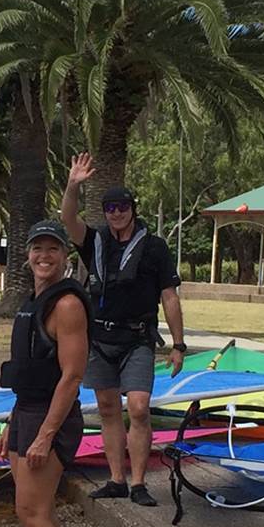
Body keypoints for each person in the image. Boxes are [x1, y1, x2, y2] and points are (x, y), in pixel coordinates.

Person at [60, 153, 185, 506]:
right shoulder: (95, 241)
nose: (116, 212)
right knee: (108, 408)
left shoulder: (154, 247)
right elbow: (68, 218)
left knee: (140, 408)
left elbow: (170, 297)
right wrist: (73, 184)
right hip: (100, 339)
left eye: (122, 206)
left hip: (137, 338)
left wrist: (179, 344)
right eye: (110, 207)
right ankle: (117, 479)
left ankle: (139, 483)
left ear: (133, 208)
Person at [0, 221, 88, 527]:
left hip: (51, 418)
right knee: (29, 514)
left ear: (66, 254)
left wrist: (46, 435)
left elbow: (71, 377)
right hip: (27, 413)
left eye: (52, 248)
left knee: (36, 516)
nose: (43, 255)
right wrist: (13, 426)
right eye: (37, 248)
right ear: (26, 254)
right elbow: (29, 375)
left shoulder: (66, 305)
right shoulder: (32, 301)